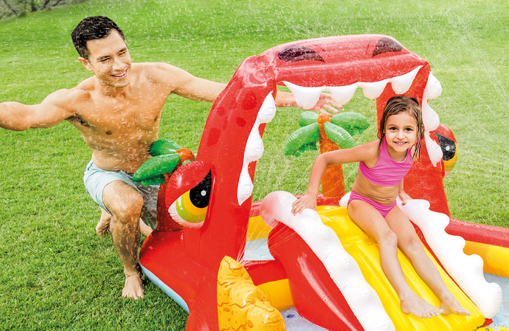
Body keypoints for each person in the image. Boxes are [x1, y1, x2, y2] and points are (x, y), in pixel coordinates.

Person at [0, 16, 339, 300]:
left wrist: (295, 100)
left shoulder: (156, 76)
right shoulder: (76, 100)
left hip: (154, 172)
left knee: (186, 221)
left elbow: (224, 93)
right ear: (86, 63)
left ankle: (112, 212)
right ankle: (130, 270)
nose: (118, 65)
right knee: (128, 206)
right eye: (104, 60)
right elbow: (27, 116)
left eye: (122, 52)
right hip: (108, 173)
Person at [291, 95, 470, 319]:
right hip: (362, 203)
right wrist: (311, 195)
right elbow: (324, 159)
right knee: (388, 238)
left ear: (418, 133)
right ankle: (406, 297)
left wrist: (400, 190)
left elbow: (397, 170)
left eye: (407, 130)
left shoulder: (410, 150)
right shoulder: (373, 151)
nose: (400, 135)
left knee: (413, 242)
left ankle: (446, 297)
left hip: (389, 205)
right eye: (393, 128)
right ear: (383, 130)